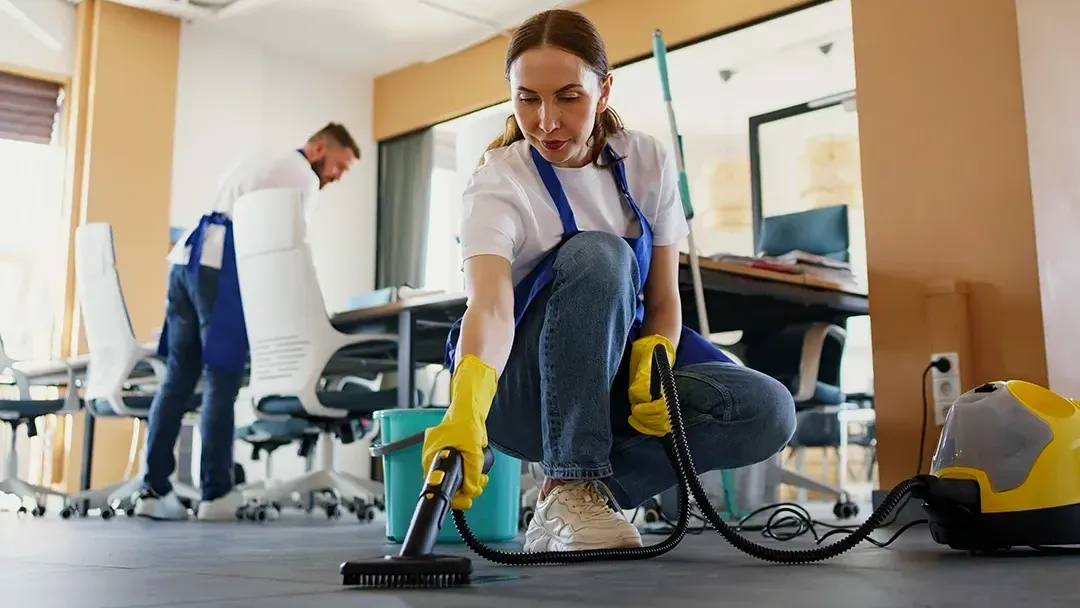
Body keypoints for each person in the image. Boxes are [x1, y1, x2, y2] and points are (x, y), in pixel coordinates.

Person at [422, 9, 796, 552]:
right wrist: (465, 409)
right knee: (602, 252)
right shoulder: (499, 182)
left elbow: (665, 299)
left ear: (603, 91)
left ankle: (581, 494)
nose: (547, 121)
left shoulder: (645, 160)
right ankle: (570, 480)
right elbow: (492, 308)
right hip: (522, 390)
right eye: (527, 99)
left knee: (766, 409)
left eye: (568, 97)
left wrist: (658, 354)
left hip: (613, 379)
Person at [134, 123, 360, 521]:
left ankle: (153, 491)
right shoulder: (302, 176)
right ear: (321, 147)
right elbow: (286, 251)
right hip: (222, 264)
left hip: (186, 259)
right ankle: (216, 493)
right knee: (223, 376)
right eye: (339, 165)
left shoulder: (260, 160)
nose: (337, 176)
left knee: (178, 378)